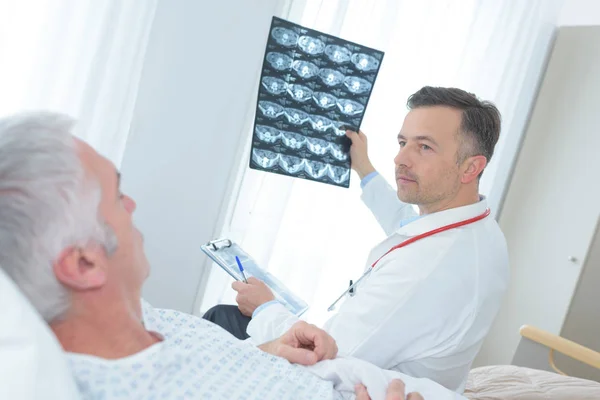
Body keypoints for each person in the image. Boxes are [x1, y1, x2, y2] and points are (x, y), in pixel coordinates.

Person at [0, 112, 454, 400]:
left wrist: (268, 350)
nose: (133, 205)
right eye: (117, 197)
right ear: (83, 265)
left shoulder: (154, 320)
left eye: (424, 144)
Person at [205, 86, 510, 392]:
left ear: (471, 167)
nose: (400, 158)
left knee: (220, 319)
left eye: (424, 147)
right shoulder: (475, 227)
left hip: (340, 383)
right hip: (400, 370)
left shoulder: (428, 267)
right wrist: (363, 168)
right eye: (403, 142)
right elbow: (405, 222)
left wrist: (265, 309)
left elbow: (324, 353)